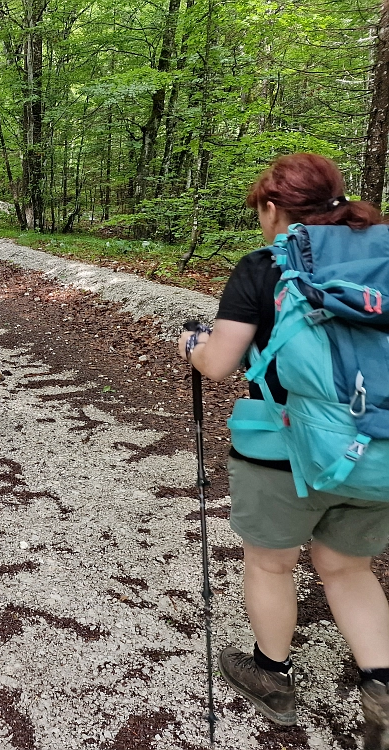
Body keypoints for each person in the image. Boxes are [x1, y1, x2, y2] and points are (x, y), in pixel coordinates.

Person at [176, 153, 389, 745]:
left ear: (273, 208)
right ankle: (384, 686)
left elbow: (218, 364)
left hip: (283, 447)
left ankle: (270, 676)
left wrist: (191, 343)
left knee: (272, 561)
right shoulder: (384, 260)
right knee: (348, 567)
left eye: (261, 212)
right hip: (379, 448)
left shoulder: (264, 267)